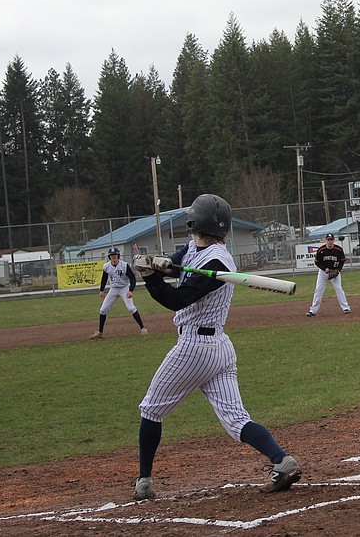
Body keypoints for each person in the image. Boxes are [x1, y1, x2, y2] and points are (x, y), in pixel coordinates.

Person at [130, 193, 301, 501]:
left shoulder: (218, 262)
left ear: (195, 221)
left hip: (195, 348)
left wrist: (151, 281)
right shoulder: (198, 248)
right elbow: (179, 265)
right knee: (237, 420)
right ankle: (281, 460)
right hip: (219, 348)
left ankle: (144, 481)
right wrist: (159, 265)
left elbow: (178, 299)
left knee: (151, 410)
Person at [89, 247, 148, 339]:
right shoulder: (106, 266)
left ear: (118, 256)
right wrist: (101, 290)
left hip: (124, 288)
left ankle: (142, 328)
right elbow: (104, 278)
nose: (114, 257)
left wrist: (130, 290)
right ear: (109, 257)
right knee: (103, 310)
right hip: (113, 289)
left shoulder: (124, 265)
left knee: (131, 308)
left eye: (115, 255)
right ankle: (100, 332)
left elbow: (132, 278)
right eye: (112, 255)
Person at [306, 233, 350, 317]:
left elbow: (342, 261)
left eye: (331, 240)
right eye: (328, 240)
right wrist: (324, 269)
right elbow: (317, 262)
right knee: (318, 289)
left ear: (334, 240)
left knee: (338, 288)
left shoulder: (338, 250)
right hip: (323, 272)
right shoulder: (321, 250)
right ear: (326, 240)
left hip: (334, 271)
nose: (330, 241)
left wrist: (338, 270)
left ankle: (346, 308)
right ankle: (313, 310)